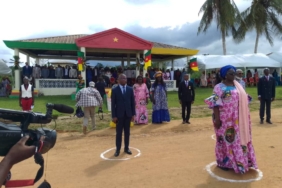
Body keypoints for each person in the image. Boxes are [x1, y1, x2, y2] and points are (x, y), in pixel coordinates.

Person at [204, 65, 257, 174]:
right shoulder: (219, 87)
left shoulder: (238, 86)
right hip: (224, 119)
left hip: (238, 119)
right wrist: (217, 119)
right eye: (230, 73)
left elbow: (244, 98)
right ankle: (223, 162)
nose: (233, 75)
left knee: (238, 139)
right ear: (224, 75)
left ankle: (242, 161)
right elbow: (215, 104)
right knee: (224, 140)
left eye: (234, 73)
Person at [111, 74, 135, 157]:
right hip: (119, 115)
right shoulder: (115, 90)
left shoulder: (130, 89)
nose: (125, 79)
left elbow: (132, 102)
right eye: (123, 78)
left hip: (128, 114)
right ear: (119, 80)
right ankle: (117, 149)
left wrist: (133, 114)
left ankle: (126, 148)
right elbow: (113, 104)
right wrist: (113, 116)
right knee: (119, 133)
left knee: (127, 133)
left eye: (125, 78)